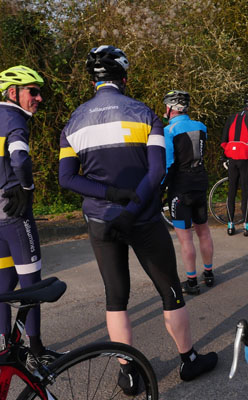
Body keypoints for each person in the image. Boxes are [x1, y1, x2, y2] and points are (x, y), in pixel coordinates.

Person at [58, 46, 217, 393]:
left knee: (115, 298)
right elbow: (156, 171)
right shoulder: (145, 114)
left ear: (94, 82)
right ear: (125, 79)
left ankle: (128, 373)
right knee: (170, 291)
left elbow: (66, 178)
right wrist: (130, 211)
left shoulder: (74, 120)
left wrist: (110, 194)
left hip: (101, 220)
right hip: (142, 218)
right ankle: (189, 359)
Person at [0, 65, 63, 368]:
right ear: (13, 93)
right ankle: (36, 350)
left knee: (2, 284)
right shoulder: (15, 119)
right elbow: (19, 158)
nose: (39, 98)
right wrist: (27, 187)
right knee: (32, 283)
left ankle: (5, 346)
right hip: (15, 215)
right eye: (33, 91)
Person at [162, 90, 215, 295]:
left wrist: (159, 190)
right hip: (200, 182)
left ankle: (192, 282)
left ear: (171, 108)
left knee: (185, 238)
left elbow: (168, 164)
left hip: (180, 187)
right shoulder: (201, 126)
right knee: (204, 231)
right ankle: (209, 273)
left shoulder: (169, 131)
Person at [221, 94, 248, 236]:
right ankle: (247, 227)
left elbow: (223, 141)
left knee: (232, 191)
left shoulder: (231, 117)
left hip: (232, 158)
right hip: (246, 159)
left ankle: (230, 226)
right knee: (246, 192)